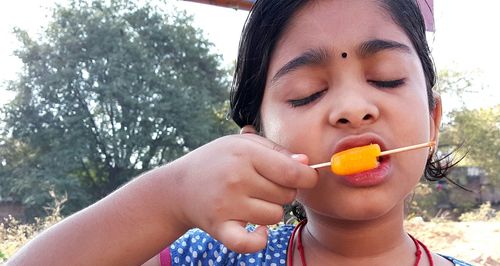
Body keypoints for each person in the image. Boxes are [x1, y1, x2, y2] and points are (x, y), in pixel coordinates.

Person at [8, 0, 473, 265]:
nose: (353, 110)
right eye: (307, 93)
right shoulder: (215, 258)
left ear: (431, 122)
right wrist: (170, 198)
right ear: (258, 145)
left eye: (387, 78)